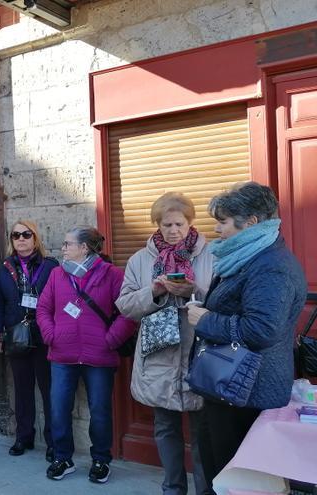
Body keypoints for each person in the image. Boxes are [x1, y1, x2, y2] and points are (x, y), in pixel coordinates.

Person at [187, 182, 306, 491]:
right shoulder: (250, 256)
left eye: (223, 221)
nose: (216, 229)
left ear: (251, 222)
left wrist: (207, 320)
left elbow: (262, 330)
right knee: (222, 473)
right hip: (231, 385)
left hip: (245, 392)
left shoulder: (270, 266)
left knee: (235, 480)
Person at [116, 193, 212, 495]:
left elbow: (226, 300)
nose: (174, 230)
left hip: (200, 353)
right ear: (158, 225)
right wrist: (155, 291)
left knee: (203, 433)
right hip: (159, 356)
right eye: (167, 224)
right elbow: (125, 305)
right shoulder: (140, 260)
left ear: (190, 222)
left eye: (179, 224)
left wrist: (193, 291)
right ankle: (172, 488)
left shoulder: (212, 255)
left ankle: (205, 490)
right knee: (165, 427)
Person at [36, 226, 137, 484]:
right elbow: (43, 309)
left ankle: (101, 460)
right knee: (58, 409)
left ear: (85, 248)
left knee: (100, 411)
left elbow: (129, 312)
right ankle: (63, 458)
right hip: (62, 355)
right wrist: (51, 336)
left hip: (99, 357)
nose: (64, 248)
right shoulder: (58, 274)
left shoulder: (112, 274)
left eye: (69, 244)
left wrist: (110, 339)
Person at [0, 220, 59, 459]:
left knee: (49, 391)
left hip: (44, 336)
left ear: (35, 237)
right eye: (16, 235)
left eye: (26, 234)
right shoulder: (5, 268)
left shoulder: (51, 267)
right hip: (16, 335)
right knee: (21, 390)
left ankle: (54, 442)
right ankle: (24, 437)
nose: (21, 239)